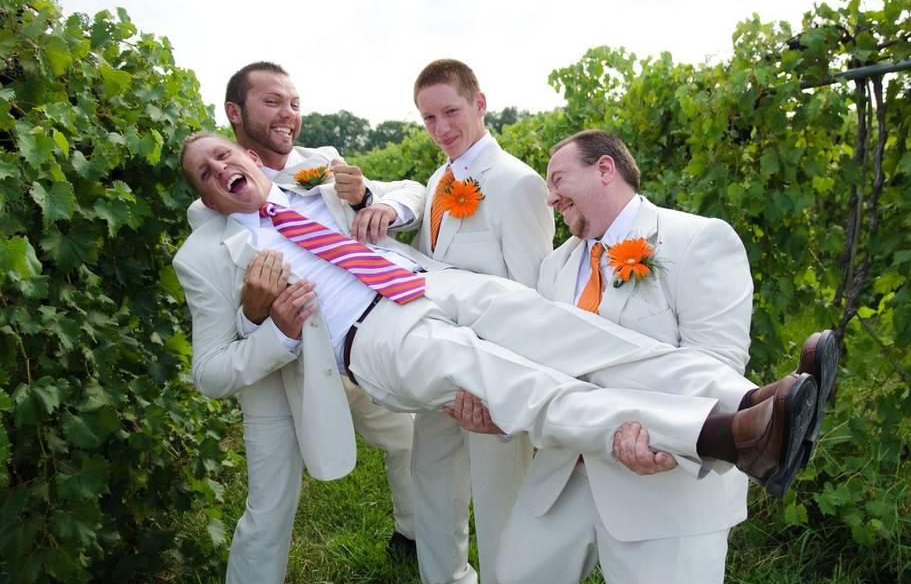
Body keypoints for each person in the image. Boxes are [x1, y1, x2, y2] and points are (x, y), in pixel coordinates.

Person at [175, 133, 825, 505]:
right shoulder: (206, 256)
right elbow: (210, 370)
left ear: (248, 157)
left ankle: (745, 398)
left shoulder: (312, 179)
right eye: (206, 173)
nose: (221, 169)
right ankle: (720, 436)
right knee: (516, 379)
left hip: (431, 281)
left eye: (224, 155)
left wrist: (374, 198)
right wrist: (271, 325)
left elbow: (404, 191)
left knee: (573, 332)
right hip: (370, 335)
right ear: (204, 195)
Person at [447, 129, 839, 584]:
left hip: (663, 479)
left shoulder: (697, 238)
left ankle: (762, 418)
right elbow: (535, 369)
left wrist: (664, 443)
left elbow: (715, 362)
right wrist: (495, 416)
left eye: (558, 178)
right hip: (570, 465)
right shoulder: (554, 267)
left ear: (605, 169)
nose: (550, 196)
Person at [182, 62, 424, 584]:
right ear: (235, 115)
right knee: (269, 506)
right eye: (272, 102)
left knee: (407, 438)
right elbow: (215, 360)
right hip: (281, 372)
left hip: (359, 335)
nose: (288, 113)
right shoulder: (213, 214)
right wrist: (261, 318)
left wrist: (371, 197)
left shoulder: (323, 163)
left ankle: (414, 537)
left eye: (292, 101)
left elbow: (405, 196)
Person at [395, 58, 556, 584]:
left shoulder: (517, 182)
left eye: (450, 112)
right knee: (431, 470)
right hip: (438, 361)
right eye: (428, 117)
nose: (440, 127)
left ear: (480, 103)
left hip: (492, 371)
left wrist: (502, 384)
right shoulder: (440, 181)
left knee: (499, 495)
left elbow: (535, 298)